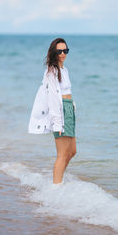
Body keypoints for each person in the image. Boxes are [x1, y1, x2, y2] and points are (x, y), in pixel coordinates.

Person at [28, 38, 76, 184]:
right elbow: (53, 100)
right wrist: (57, 123)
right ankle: (55, 188)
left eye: (65, 51)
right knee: (62, 154)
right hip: (60, 112)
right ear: (54, 52)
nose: (62, 54)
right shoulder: (52, 71)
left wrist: (72, 108)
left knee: (72, 151)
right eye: (59, 51)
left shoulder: (64, 70)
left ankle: (59, 178)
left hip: (68, 110)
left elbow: (67, 92)